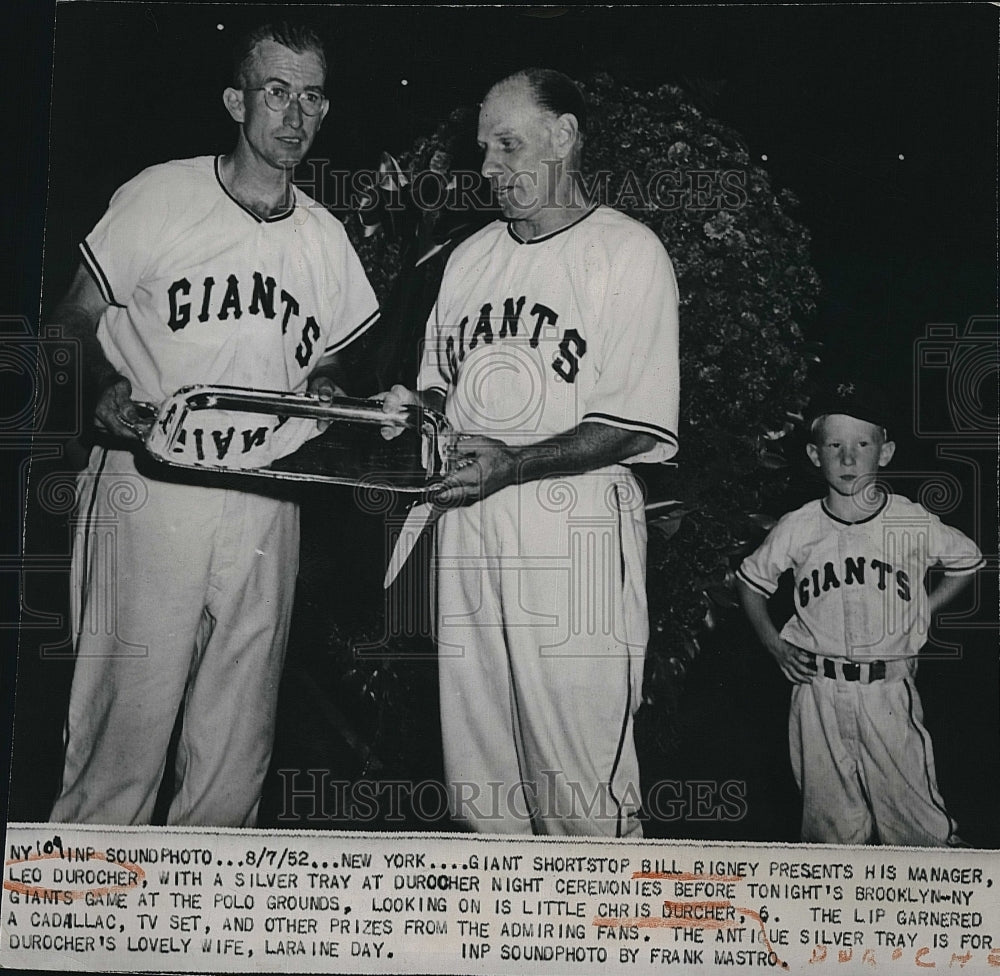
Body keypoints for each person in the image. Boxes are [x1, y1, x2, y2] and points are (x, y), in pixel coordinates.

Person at [49, 22, 379, 827]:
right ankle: (80, 925)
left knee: (236, 749)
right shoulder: (162, 193)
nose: (294, 115)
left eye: (311, 96)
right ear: (237, 99)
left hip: (268, 495)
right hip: (154, 482)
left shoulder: (324, 238)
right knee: (123, 730)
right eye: (276, 92)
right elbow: (70, 319)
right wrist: (100, 382)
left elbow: (335, 365)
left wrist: (334, 387)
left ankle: (200, 933)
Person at [382, 68, 680, 836]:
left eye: (508, 145)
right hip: (471, 521)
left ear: (565, 135)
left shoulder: (628, 252)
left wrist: (514, 463)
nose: (488, 169)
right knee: (482, 783)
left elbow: (636, 425)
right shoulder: (471, 257)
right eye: (484, 150)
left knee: (579, 782)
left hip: (575, 524)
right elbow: (442, 392)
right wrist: (420, 413)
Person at [737, 381, 984, 846]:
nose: (848, 459)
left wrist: (922, 608)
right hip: (816, 693)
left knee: (918, 831)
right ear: (814, 455)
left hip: (885, 691)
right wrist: (775, 644)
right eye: (835, 445)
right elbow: (750, 584)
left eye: (863, 445)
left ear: (884, 453)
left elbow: (967, 560)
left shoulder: (909, 522)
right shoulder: (799, 526)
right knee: (829, 835)